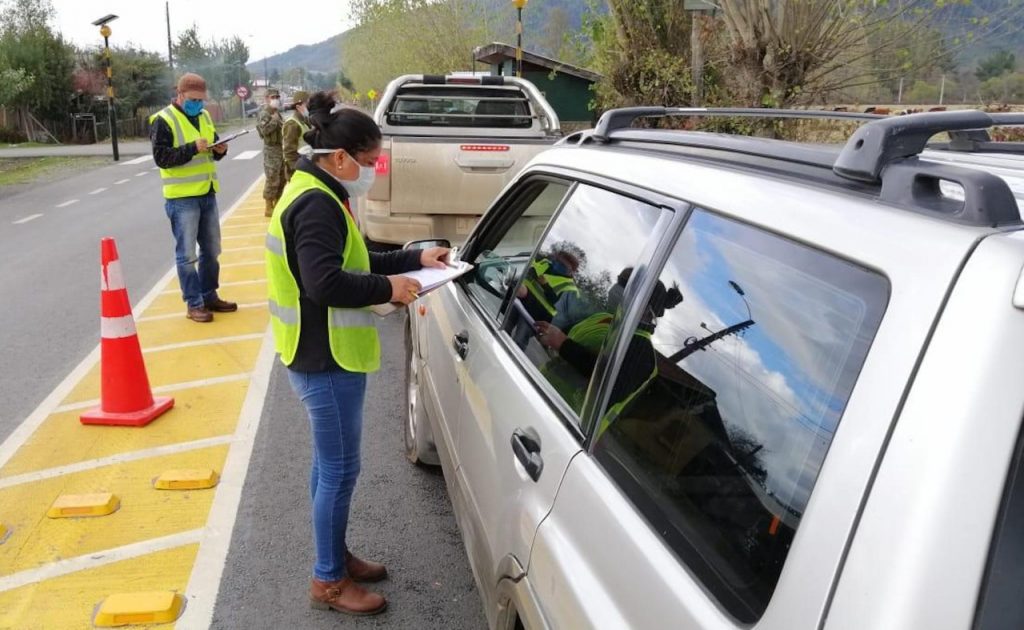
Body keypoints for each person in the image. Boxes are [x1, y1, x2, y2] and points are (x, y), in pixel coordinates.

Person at [265, 91, 450, 616]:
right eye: (369, 163)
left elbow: (357, 256)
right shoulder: (316, 203)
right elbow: (326, 283)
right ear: (341, 157)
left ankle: (335, 555)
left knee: (330, 469)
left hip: (321, 353)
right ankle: (327, 580)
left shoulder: (320, 189)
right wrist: (390, 289)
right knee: (340, 470)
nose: (372, 171)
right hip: (325, 358)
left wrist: (415, 257)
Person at [535, 271, 682, 431]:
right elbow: (562, 332)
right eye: (619, 283)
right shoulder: (607, 320)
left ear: (646, 309)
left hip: (567, 424)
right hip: (541, 392)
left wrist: (563, 344)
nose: (616, 291)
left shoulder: (642, 352)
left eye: (625, 289)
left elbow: (607, 382)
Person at [149, 72, 237, 323]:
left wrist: (221, 149)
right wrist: (191, 148)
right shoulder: (163, 120)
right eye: (193, 99)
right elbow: (162, 158)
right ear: (180, 95)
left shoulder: (205, 116)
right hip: (182, 199)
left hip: (207, 192)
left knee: (212, 249)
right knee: (187, 255)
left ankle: (209, 295)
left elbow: (213, 148)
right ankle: (194, 303)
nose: (198, 104)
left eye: (201, 100)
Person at [257, 88, 286, 216]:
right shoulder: (265, 114)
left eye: (277, 97)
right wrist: (274, 120)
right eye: (273, 97)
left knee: (282, 177)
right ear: (266, 98)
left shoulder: (277, 112)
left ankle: (278, 202)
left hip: (281, 148)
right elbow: (264, 131)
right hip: (271, 149)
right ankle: (268, 206)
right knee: (272, 178)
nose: (275, 100)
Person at [282, 90, 311, 182]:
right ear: (298, 106)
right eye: (307, 104)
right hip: (298, 172)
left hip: (306, 167)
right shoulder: (292, 124)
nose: (310, 107)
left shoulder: (304, 121)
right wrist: (299, 170)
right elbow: (289, 153)